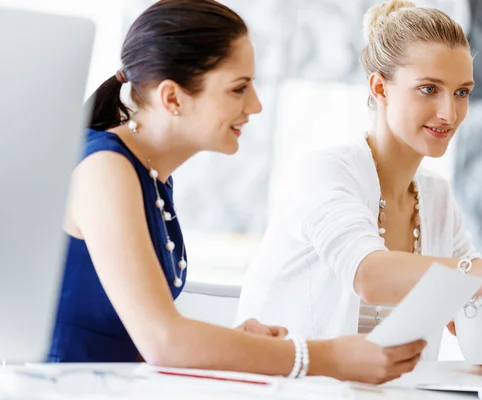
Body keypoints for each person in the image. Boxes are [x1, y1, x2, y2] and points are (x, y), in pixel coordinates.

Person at [47, 0, 427, 384]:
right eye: (239, 88)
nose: (256, 105)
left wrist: (237, 342)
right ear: (172, 98)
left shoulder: (148, 174)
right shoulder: (105, 169)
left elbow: (145, 335)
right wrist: (326, 356)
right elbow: (163, 340)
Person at [235, 0, 482, 375]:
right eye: (429, 89)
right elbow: (371, 277)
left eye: (462, 92)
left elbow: (466, 307)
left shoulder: (437, 199)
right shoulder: (324, 173)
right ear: (380, 88)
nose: (449, 113)